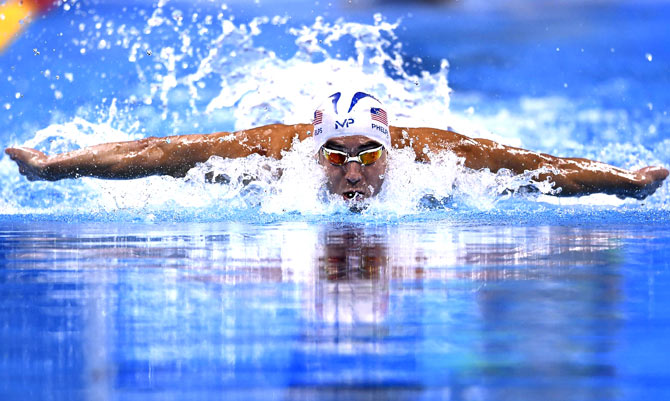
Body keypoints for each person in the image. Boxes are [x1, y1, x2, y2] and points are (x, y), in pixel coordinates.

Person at [5, 89, 669, 201]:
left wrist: (624, 181)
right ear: (311, 153)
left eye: (369, 156)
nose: (354, 174)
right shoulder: (274, 152)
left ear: (391, 151)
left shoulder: (432, 153)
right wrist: (56, 169)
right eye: (336, 157)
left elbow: (536, 167)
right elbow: (160, 154)